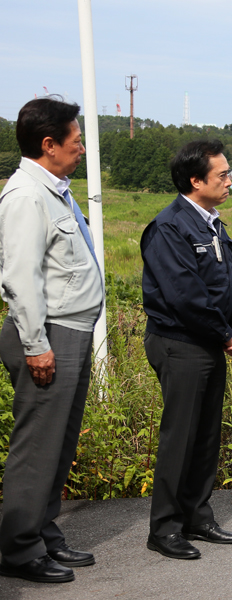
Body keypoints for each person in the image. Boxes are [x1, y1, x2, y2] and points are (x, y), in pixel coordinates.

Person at [0, 97, 104, 584]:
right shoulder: (26, 195)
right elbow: (20, 278)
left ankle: (42, 533)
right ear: (49, 144)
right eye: (75, 141)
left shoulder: (55, 190)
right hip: (48, 334)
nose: (81, 149)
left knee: (58, 444)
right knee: (38, 446)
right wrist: (36, 344)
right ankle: (19, 549)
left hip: (70, 331)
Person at [141, 139, 232, 559]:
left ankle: (197, 517)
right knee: (181, 436)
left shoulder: (213, 224)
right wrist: (224, 333)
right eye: (222, 175)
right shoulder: (170, 227)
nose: (229, 182)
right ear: (195, 181)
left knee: (206, 436)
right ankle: (165, 528)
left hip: (211, 341)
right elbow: (184, 295)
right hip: (180, 343)